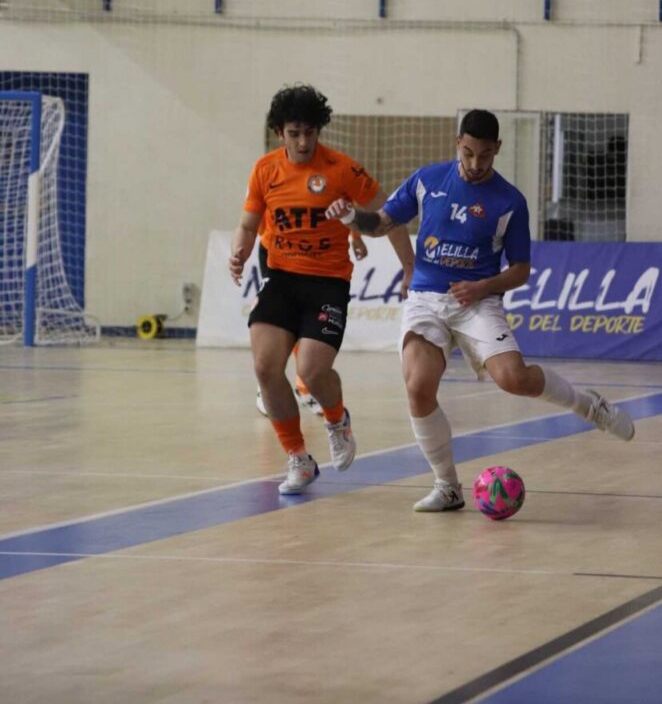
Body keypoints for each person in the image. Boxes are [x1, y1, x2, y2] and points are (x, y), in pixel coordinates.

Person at [326, 109, 635, 513]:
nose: (475, 164)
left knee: (514, 379)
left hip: (479, 301)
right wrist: (351, 217)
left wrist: (482, 287)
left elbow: (521, 270)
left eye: (485, 156)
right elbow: (381, 223)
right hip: (426, 298)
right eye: (469, 153)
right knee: (418, 386)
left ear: (497, 150)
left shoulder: (510, 201)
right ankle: (448, 485)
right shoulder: (427, 180)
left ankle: (589, 405)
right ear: (458, 143)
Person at [230, 84, 414, 495]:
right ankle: (297, 457)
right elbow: (247, 224)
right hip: (280, 278)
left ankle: (337, 419)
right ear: (280, 132)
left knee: (311, 371)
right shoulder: (265, 170)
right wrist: (239, 253)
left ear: (319, 131)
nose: (302, 142)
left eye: (309, 133)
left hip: (327, 283)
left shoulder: (342, 169)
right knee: (265, 369)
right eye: (293, 133)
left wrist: (409, 268)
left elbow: (390, 217)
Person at [254, 225, 369, 417]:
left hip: (316, 254)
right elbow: (255, 215)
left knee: (309, 323)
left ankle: (305, 387)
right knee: (280, 320)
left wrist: (355, 234)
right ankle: (265, 384)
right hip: (278, 251)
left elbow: (342, 200)